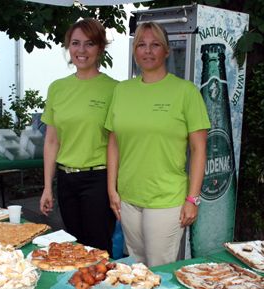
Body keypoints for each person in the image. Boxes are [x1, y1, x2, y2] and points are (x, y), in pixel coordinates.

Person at [105, 22, 210, 267]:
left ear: (166, 51)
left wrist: (192, 199)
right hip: (129, 197)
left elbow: (199, 149)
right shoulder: (122, 91)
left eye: (155, 45)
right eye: (141, 44)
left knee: (160, 269)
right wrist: (112, 189)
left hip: (167, 199)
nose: (148, 51)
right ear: (134, 51)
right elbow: (114, 143)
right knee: (136, 268)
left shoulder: (185, 92)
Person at [40, 18, 117, 254]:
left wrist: (114, 188)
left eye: (89, 44)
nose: (81, 50)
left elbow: (118, 142)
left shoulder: (115, 89)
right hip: (66, 180)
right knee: (73, 249)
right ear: (68, 47)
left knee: (97, 249)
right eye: (75, 43)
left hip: (98, 180)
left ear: (100, 48)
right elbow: (52, 140)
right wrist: (47, 187)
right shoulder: (57, 88)